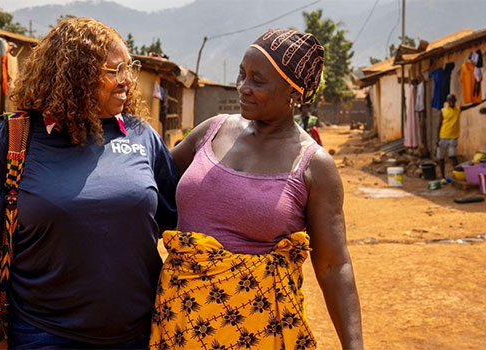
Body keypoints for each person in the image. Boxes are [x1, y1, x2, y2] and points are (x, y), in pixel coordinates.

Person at [0, 18, 178, 349]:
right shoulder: (16, 137)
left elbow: (181, 226)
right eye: (114, 71)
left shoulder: (143, 136)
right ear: (78, 77)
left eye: (129, 67)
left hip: (138, 333)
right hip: (41, 334)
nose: (127, 80)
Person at [150, 29, 363, 349]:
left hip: (262, 331)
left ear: (294, 91)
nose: (243, 87)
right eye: (242, 74)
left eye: (258, 80)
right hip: (183, 323)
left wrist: (354, 346)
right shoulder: (211, 132)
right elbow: (152, 190)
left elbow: (334, 266)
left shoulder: (314, 166)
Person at [437, 93, 486, 178]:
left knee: (452, 156)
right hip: (443, 137)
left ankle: (456, 174)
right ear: (447, 101)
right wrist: (437, 138)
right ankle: (442, 176)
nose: (451, 102)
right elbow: (439, 125)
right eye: (450, 100)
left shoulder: (458, 109)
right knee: (441, 158)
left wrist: (484, 100)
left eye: (453, 100)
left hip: (453, 137)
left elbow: (472, 106)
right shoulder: (443, 111)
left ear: (455, 101)